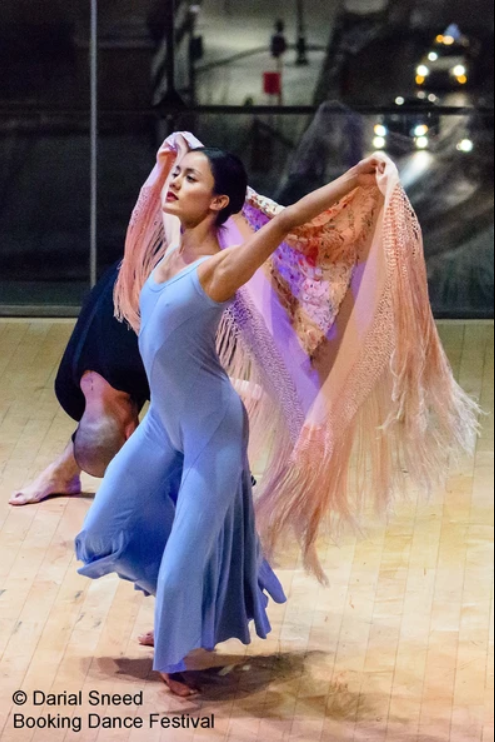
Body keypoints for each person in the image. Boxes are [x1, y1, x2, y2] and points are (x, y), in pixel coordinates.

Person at [75, 145, 384, 698]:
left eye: (190, 179)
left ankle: (176, 652)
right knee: (100, 530)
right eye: (177, 176)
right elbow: (160, 193)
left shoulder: (221, 267)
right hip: (162, 425)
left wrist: (351, 180)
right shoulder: (173, 242)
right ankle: (184, 603)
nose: (175, 184)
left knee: (182, 560)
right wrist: (169, 159)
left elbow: (286, 222)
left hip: (212, 432)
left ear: (218, 202)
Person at [9, 263, 150, 506]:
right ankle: (63, 472)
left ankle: (62, 472)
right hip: (125, 270)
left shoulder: (133, 370)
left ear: (130, 435)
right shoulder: (66, 390)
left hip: (163, 261)